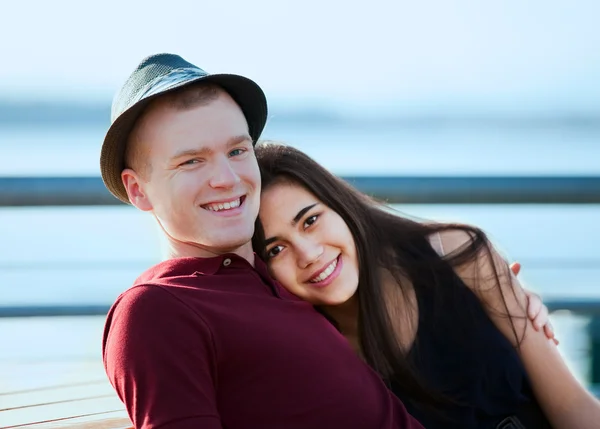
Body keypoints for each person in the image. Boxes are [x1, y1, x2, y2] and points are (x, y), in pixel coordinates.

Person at [99, 53, 427, 429]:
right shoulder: (158, 310)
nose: (227, 178)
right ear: (138, 190)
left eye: (237, 151)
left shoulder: (283, 272)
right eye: (191, 161)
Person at [252, 142, 600, 429]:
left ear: (342, 208)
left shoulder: (457, 255)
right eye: (276, 249)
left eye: (311, 220)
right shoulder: (302, 353)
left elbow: (571, 407)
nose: (308, 254)